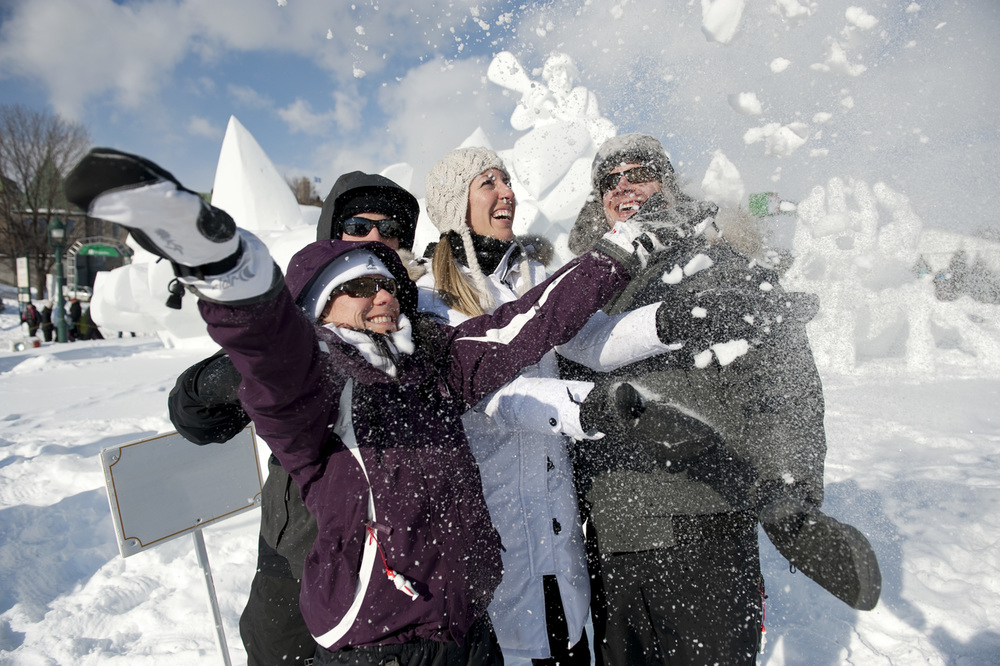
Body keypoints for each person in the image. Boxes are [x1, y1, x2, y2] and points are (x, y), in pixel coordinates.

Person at [65, 147, 667, 665]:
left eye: (391, 246)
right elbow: (251, 356)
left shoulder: (427, 358)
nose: (378, 254)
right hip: (322, 593)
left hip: (456, 618)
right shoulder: (307, 371)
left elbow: (519, 329)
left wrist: (615, 256)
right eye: (358, 231)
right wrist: (227, 276)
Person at [564, 133, 882, 665]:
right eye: (608, 181)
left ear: (666, 181)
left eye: (637, 173)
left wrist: (790, 497)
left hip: (706, 523)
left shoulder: (719, 266)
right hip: (613, 535)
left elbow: (787, 390)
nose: (623, 188)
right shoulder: (585, 284)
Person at [419, 147, 676, 665]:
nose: (506, 192)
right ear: (455, 205)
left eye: (507, 180)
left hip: (558, 543)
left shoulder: (536, 274)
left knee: (569, 642)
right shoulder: (430, 300)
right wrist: (587, 409)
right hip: (496, 544)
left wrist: (673, 322)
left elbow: (590, 341)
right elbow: (495, 397)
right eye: (487, 182)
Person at [169, 169, 424, 666]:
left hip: (396, 564)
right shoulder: (288, 325)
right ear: (331, 232)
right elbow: (194, 417)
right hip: (296, 553)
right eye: (358, 224)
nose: (375, 237)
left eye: (390, 229)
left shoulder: (424, 329)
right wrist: (248, 373)